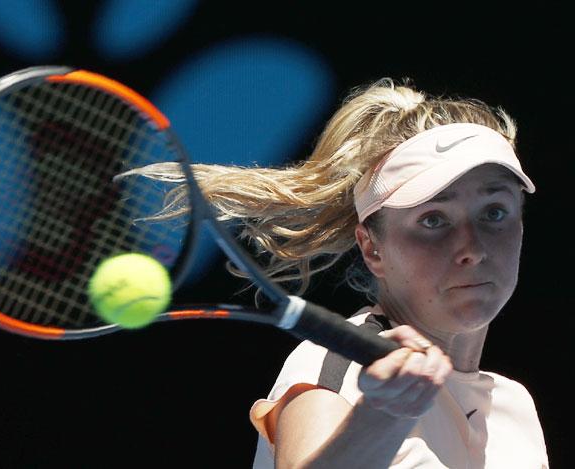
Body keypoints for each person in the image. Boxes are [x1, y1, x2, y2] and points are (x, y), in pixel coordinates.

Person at [127, 78, 549, 467]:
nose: (472, 248)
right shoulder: (341, 363)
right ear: (372, 248)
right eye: (433, 220)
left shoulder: (514, 406)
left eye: (495, 212)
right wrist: (382, 414)